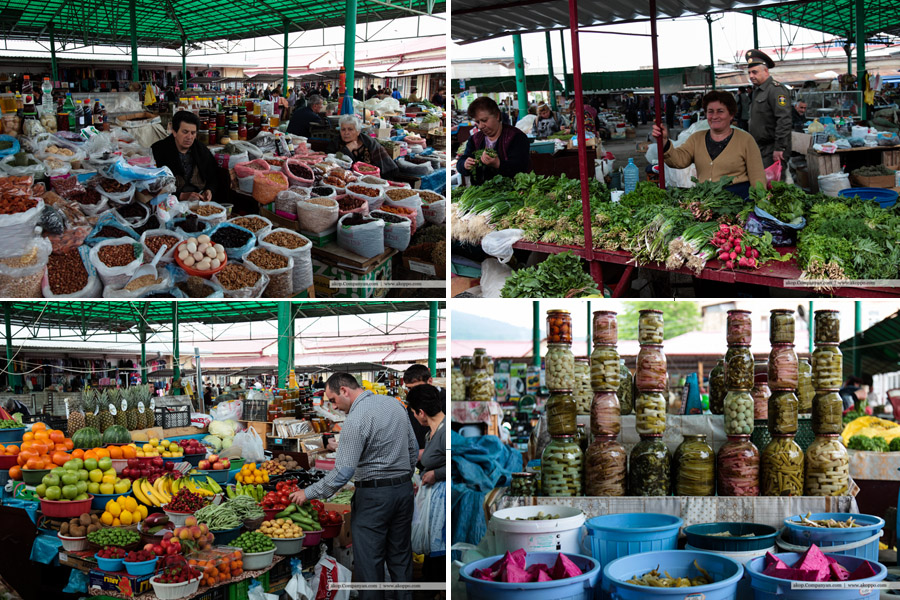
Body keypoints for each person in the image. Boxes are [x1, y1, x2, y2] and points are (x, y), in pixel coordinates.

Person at [288, 373, 417, 600]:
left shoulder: (356, 420)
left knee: (369, 561)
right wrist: (402, 477)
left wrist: (307, 493)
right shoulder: (394, 405)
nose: (334, 406)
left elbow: (343, 473)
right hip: (403, 491)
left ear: (345, 390)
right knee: (400, 556)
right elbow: (413, 449)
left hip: (374, 497)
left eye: (334, 400)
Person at [652, 90, 765, 199]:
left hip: (738, 201)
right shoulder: (696, 138)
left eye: (720, 111)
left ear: (731, 115)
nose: (714, 116)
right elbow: (679, 160)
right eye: (710, 111)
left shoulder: (745, 140)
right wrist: (664, 142)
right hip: (707, 201)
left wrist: (759, 205)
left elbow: (757, 176)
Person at [405, 384, 446, 584]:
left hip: (443, 504)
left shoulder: (445, 432)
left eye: (413, 413)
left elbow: (459, 464)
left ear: (421, 412)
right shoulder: (433, 432)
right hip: (434, 500)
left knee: (439, 557)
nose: (414, 417)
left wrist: (436, 474)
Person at [457, 96, 531, 185]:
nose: (480, 126)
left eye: (484, 120)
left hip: (510, 192)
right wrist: (465, 164)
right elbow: (462, 161)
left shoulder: (517, 137)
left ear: (497, 116)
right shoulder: (475, 139)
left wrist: (498, 164)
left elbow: (521, 168)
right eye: (477, 122)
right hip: (481, 194)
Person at [151, 111, 218, 202]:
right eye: (185, 132)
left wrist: (209, 190)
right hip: (170, 203)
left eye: (193, 133)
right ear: (174, 132)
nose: (189, 137)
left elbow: (213, 176)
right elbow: (153, 185)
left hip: (199, 202)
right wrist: (181, 196)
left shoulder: (201, 150)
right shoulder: (158, 150)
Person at [746, 49, 792, 170]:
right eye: (749, 72)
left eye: (754, 72)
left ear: (766, 71)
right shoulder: (758, 91)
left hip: (773, 147)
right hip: (760, 147)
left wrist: (779, 148)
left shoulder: (776, 90)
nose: (751, 76)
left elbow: (784, 119)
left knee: (774, 185)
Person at [336, 114, 400, 179]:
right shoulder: (336, 142)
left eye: (350, 129)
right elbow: (333, 161)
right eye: (343, 129)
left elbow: (388, 167)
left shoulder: (370, 143)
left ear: (358, 132)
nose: (346, 133)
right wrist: (347, 149)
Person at [402, 364, 439, 454]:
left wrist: (420, 454)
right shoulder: (412, 404)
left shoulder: (445, 402)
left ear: (429, 381)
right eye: (409, 388)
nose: (413, 392)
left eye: (416, 387)